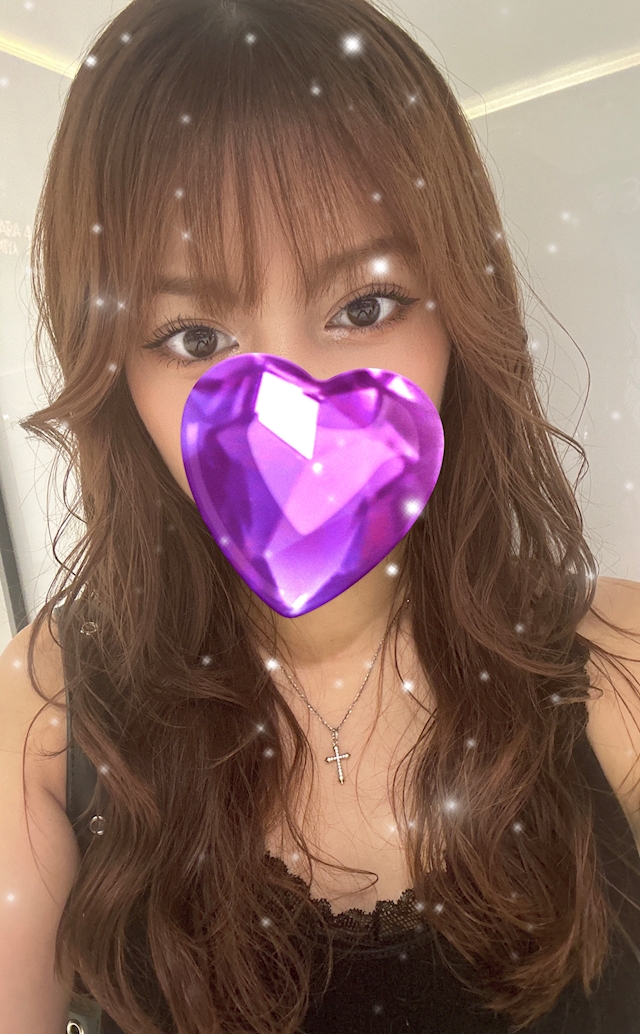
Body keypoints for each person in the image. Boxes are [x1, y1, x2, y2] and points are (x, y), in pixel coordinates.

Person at [1, 0, 640, 1032]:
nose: (287, 414)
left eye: (364, 307)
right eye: (195, 336)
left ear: (460, 314)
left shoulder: (621, 668)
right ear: (114, 372)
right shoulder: (39, 720)